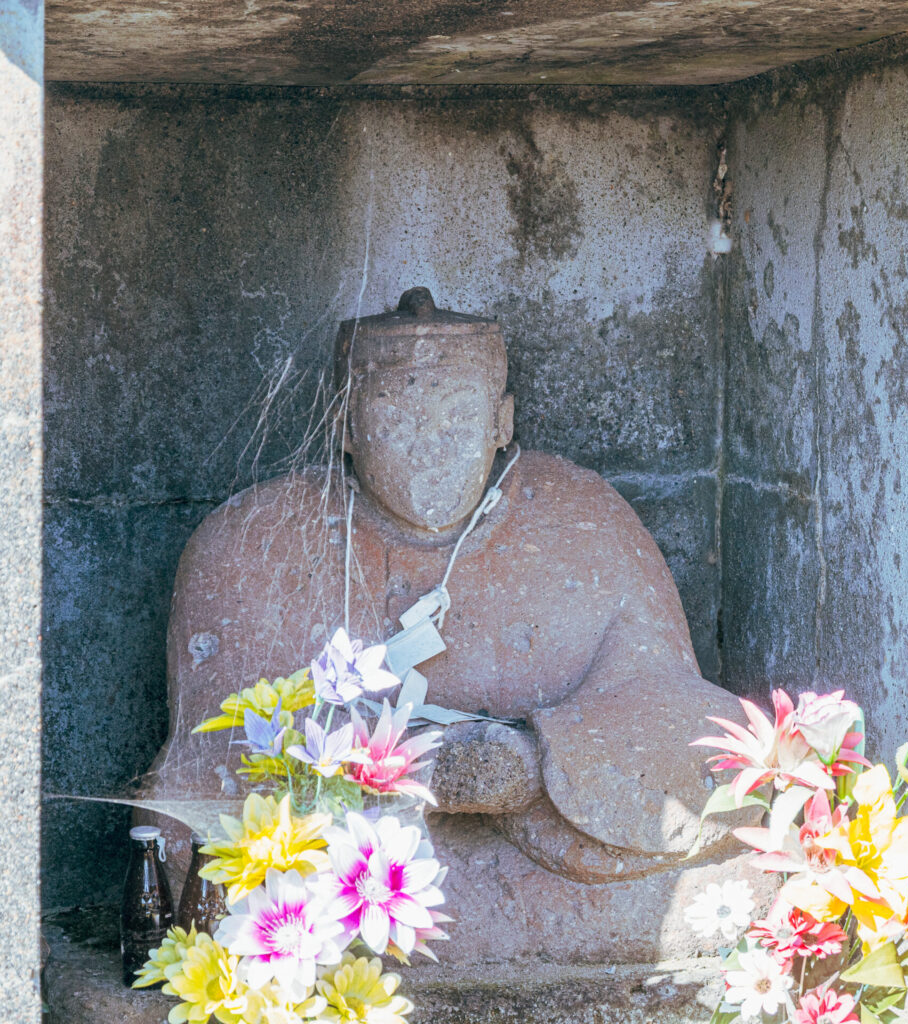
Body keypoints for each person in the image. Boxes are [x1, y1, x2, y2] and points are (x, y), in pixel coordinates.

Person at [145, 288, 762, 964]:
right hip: (347, 868)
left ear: (502, 422)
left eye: (457, 412)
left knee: (737, 882)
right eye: (394, 409)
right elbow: (190, 792)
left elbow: (683, 718)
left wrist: (534, 764)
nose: (427, 439)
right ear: (346, 425)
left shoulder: (583, 519)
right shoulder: (250, 542)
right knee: (194, 887)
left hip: (543, 848)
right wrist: (373, 775)